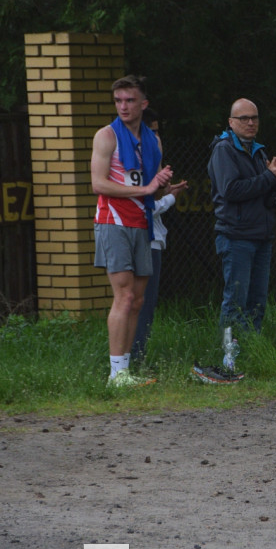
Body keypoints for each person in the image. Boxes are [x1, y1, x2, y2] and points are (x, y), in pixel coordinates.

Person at [91, 75, 173, 387]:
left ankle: (126, 369)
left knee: (137, 300)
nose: (123, 106)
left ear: (143, 104)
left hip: (142, 222)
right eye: (118, 101)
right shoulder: (106, 136)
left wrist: (161, 185)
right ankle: (116, 374)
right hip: (113, 222)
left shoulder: (153, 141)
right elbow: (98, 184)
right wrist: (148, 188)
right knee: (123, 296)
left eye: (129, 100)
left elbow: (146, 187)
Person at [208, 98, 276, 335]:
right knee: (236, 301)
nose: (250, 123)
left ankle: (250, 356)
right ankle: (229, 360)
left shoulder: (258, 150)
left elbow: (264, 192)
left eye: (254, 118)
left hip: (261, 234)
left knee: (257, 301)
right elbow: (231, 190)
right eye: (243, 118)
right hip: (236, 235)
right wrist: (270, 177)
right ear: (231, 122)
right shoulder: (224, 149)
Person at [131, 108, 188, 363]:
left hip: (147, 239)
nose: (157, 137)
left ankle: (131, 361)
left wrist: (164, 194)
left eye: (157, 131)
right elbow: (142, 209)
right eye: (152, 131)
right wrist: (169, 199)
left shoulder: (145, 160)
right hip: (143, 240)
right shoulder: (137, 161)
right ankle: (133, 361)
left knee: (141, 305)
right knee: (141, 305)